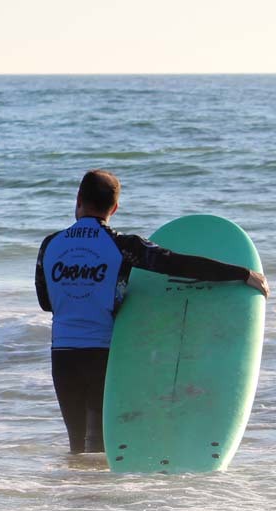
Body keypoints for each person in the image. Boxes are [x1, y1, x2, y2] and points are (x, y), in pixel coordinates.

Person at [35, 169, 268, 454]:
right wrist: (241, 273)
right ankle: (98, 496)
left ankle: (75, 494)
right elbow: (175, 263)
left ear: (78, 199)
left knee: (77, 444)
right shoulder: (123, 246)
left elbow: (46, 301)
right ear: (115, 208)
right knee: (102, 444)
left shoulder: (50, 245)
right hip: (107, 356)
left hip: (63, 357)